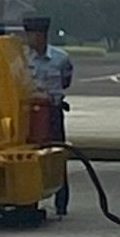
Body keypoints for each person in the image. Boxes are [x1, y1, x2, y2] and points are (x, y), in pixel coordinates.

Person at [22, 15, 74, 217]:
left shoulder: (61, 58)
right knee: (33, 158)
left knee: (58, 156)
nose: (28, 39)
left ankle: (62, 203)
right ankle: (31, 201)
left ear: (40, 35)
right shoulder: (24, 59)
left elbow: (66, 81)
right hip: (31, 114)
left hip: (52, 112)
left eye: (31, 35)